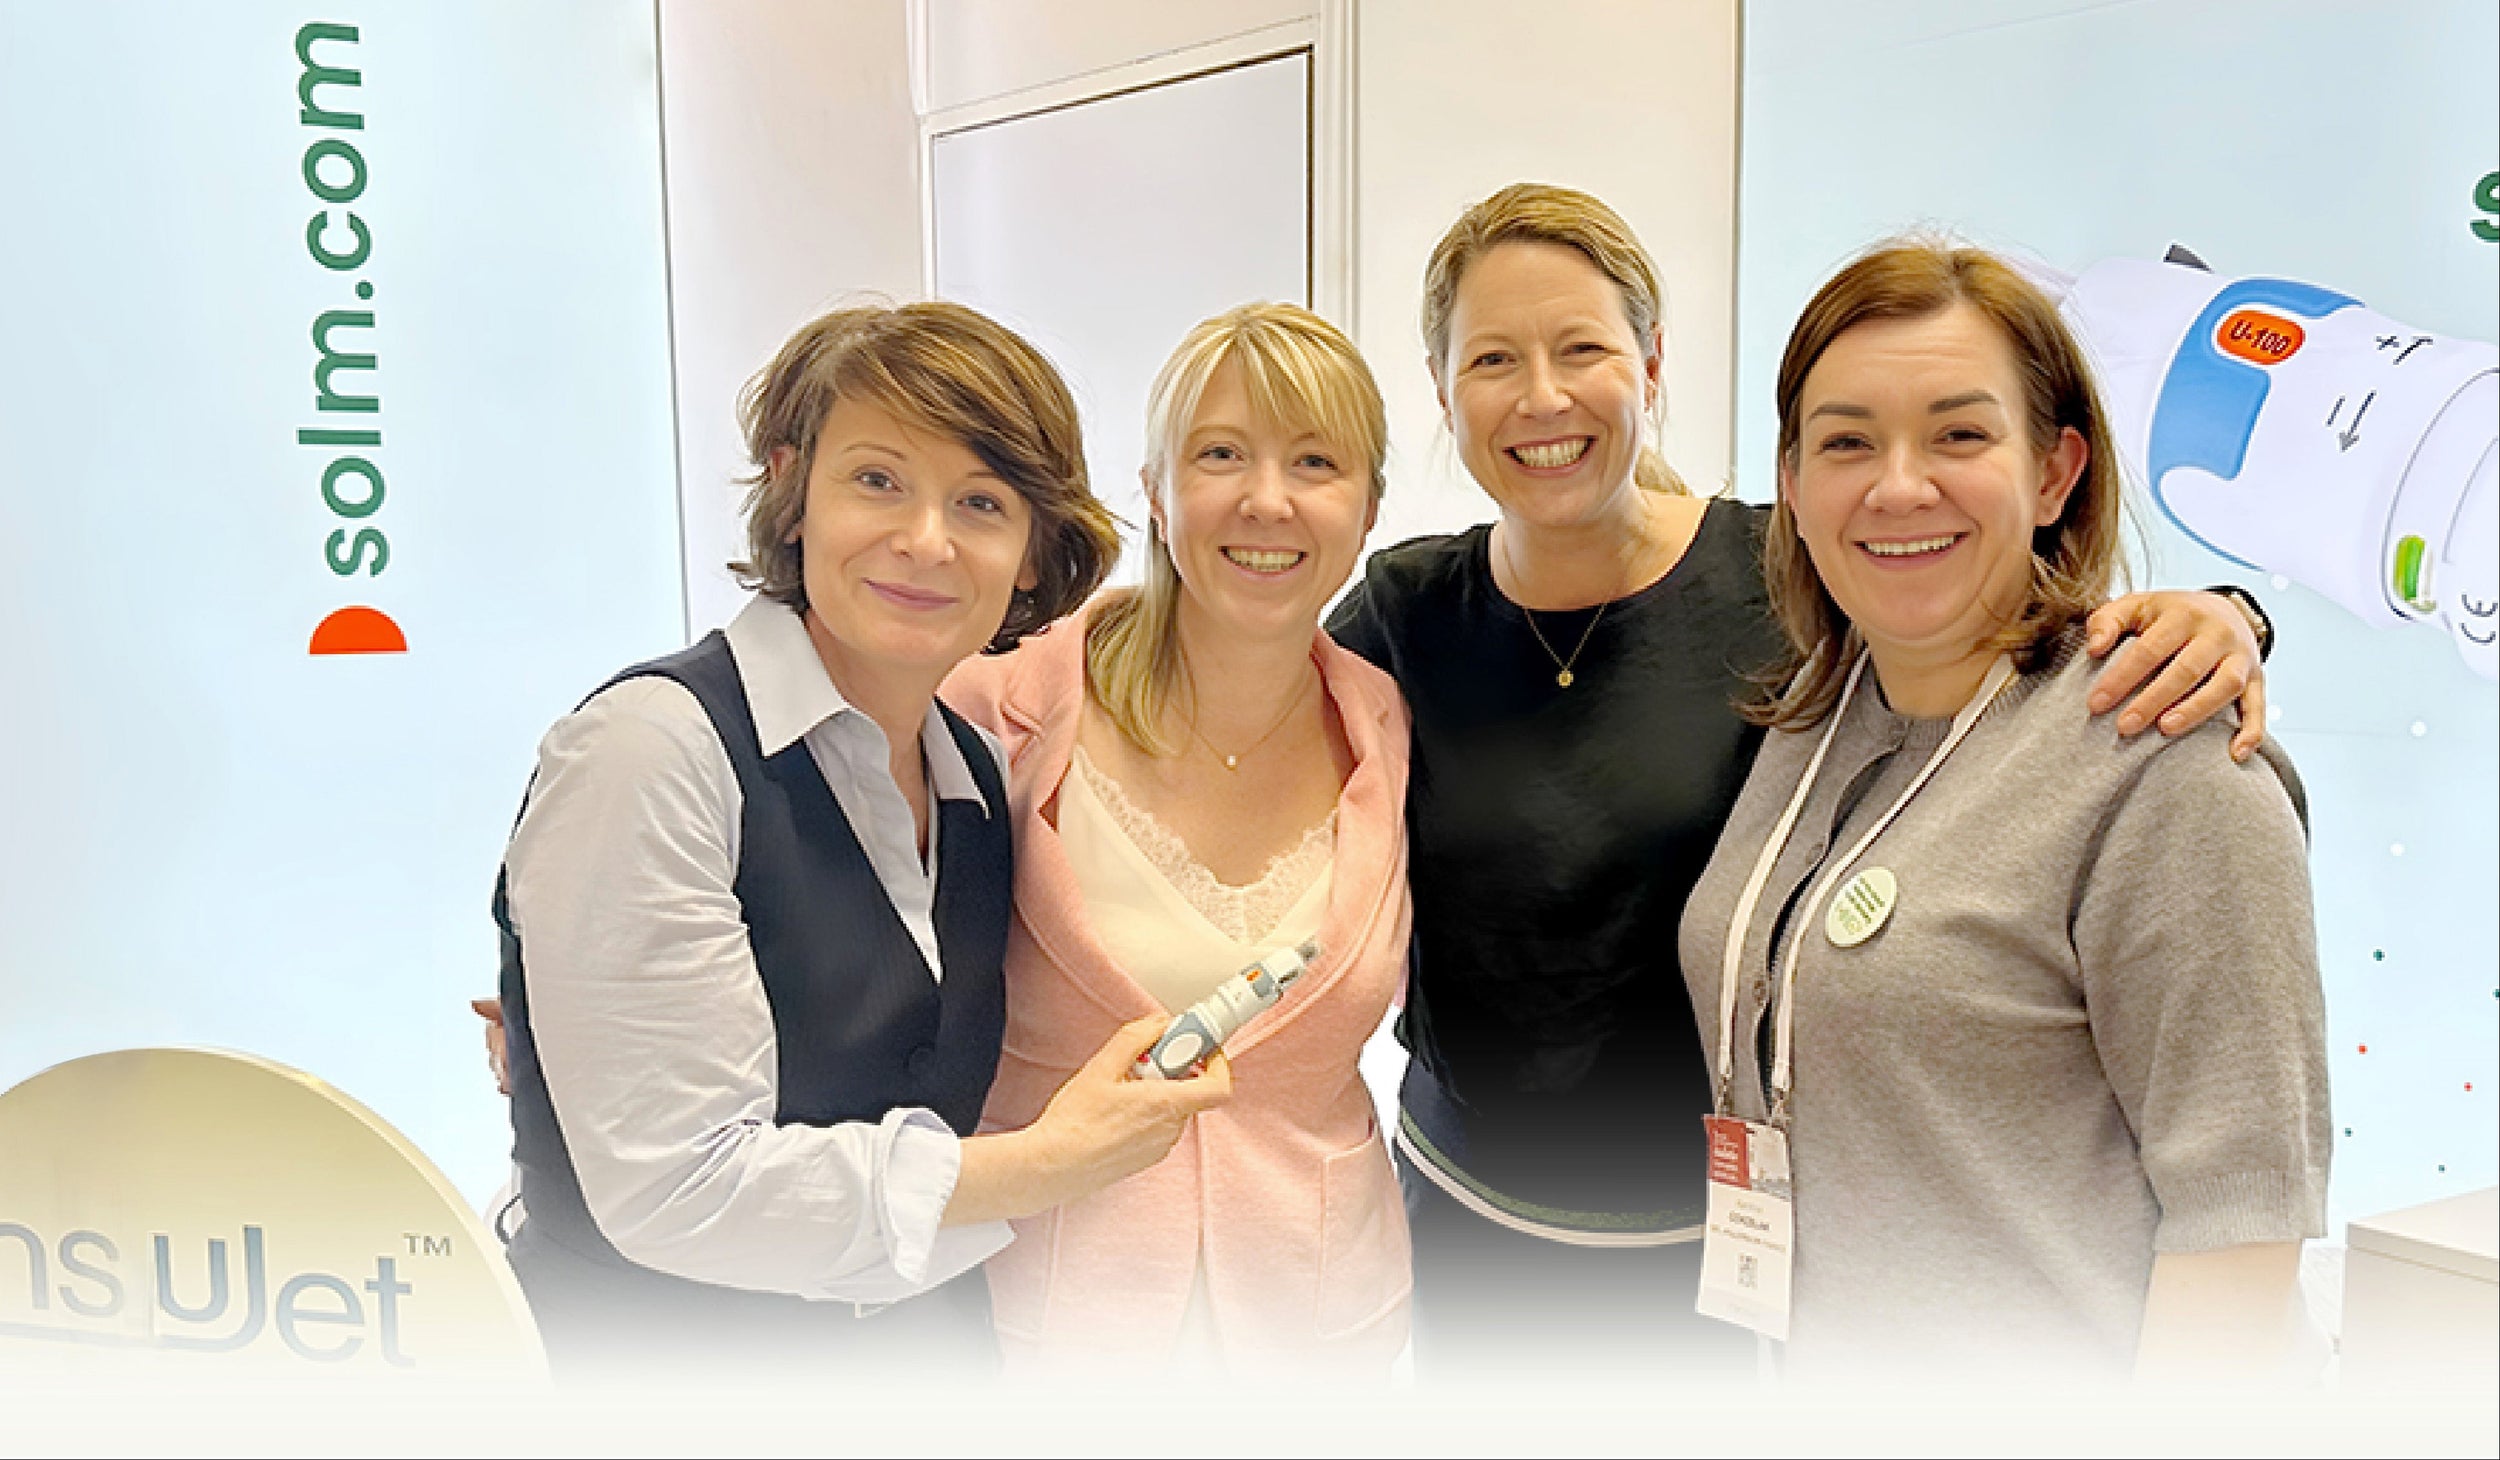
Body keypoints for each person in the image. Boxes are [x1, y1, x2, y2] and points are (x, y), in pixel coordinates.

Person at [1323, 183, 2276, 1378]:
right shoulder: (1398, 615)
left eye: (1582, 348)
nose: (1542, 395)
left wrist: (2222, 617)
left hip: (1744, 1259)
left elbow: (1994, 635)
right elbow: (1224, 718)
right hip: (1473, 1229)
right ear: (1441, 387)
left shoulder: (1790, 582)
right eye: (1492, 358)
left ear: (1651, 361)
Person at [490, 301, 1231, 1380]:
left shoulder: (976, 774)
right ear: (794, 491)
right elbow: (675, 1187)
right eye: (878, 480)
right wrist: (1050, 1162)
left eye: (981, 502)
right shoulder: (651, 751)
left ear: (1032, 555)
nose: (926, 540)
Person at [1678, 238, 2327, 1381]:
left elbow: (2239, 1227)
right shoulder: (1814, 714)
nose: (1897, 485)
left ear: (2054, 472)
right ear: (1793, 484)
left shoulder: (2165, 759)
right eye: (1845, 442)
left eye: (1959, 434)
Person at [940, 303, 1412, 1377]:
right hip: (1055, 1323)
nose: (1267, 499)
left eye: (1315, 461)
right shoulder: (994, 706)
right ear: (1155, 489)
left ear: (1368, 509)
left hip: (1322, 1331)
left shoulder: (1390, 726)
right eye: (1220, 454)